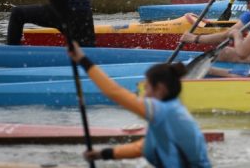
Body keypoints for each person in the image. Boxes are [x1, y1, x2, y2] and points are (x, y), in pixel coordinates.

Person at [67, 42, 211, 167]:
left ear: (160, 89)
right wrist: (102, 154)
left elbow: (114, 92)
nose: (143, 93)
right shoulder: (173, 111)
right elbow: (143, 148)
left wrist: (82, 60)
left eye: (147, 87)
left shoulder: (162, 110)